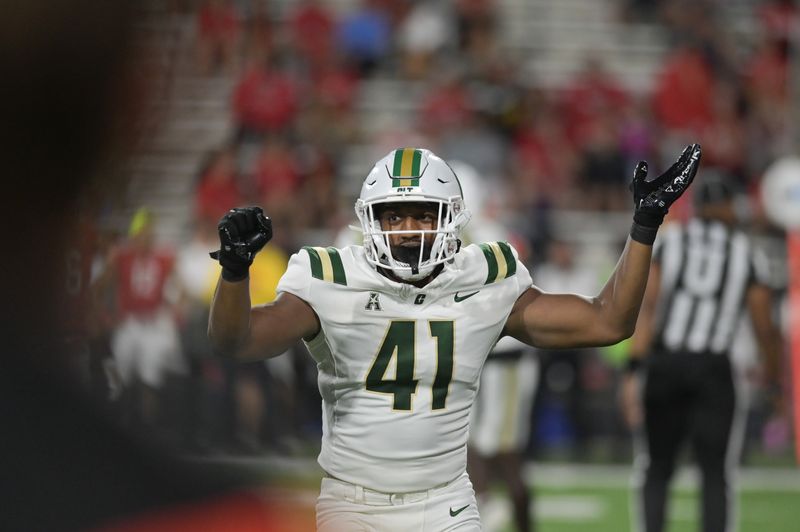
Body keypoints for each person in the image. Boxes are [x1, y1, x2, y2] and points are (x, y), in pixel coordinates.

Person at [209, 145, 702, 530]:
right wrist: (234, 272)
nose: (408, 231)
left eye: (424, 215)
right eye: (394, 216)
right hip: (354, 506)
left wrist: (644, 225)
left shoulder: (484, 277)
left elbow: (608, 322)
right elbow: (236, 341)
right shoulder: (331, 276)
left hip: (446, 504)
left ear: (451, 220)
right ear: (370, 221)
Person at [620, 174, 784, 532]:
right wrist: (772, 376)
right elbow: (763, 324)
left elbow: (648, 307)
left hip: (666, 363)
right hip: (713, 368)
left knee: (656, 467)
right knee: (715, 473)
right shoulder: (746, 252)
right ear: (726, 207)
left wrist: (634, 369)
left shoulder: (672, 242)